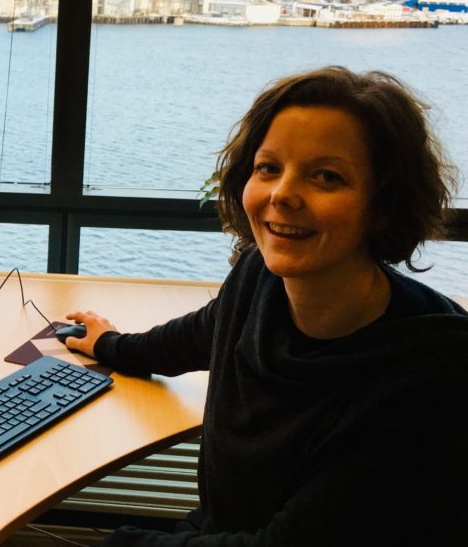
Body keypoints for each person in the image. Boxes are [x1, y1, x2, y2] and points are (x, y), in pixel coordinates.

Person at [65, 66, 468, 546]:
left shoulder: (428, 377)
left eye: (327, 176)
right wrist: (111, 345)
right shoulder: (260, 278)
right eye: (268, 168)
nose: (282, 194)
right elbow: (202, 333)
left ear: (384, 206)